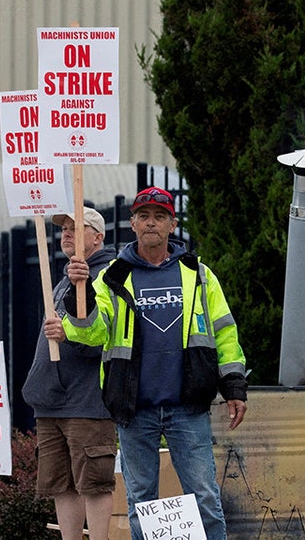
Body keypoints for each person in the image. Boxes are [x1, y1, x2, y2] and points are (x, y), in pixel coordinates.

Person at [47, 186, 248, 540]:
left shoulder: (199, 274)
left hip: (188, 406)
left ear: (172, 225)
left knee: (205, 499)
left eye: (159, 217)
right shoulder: (112, 276)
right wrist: (83, 300)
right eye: (144, 216)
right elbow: (94, 333)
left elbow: (224, 332)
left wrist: (234, 386)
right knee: (142, 503)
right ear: (132, 224)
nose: (151, 223)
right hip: (134, 407)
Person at [23, 207, 116, 540]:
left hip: (87, 401)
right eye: (64, 229)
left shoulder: (107, 275)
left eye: (77, 228)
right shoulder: (65, 277)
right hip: (53, 401)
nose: (66, 234)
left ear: (98, 236)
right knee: (61, 483)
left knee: (93, 482)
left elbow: (104, 338)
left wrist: (70, 332)